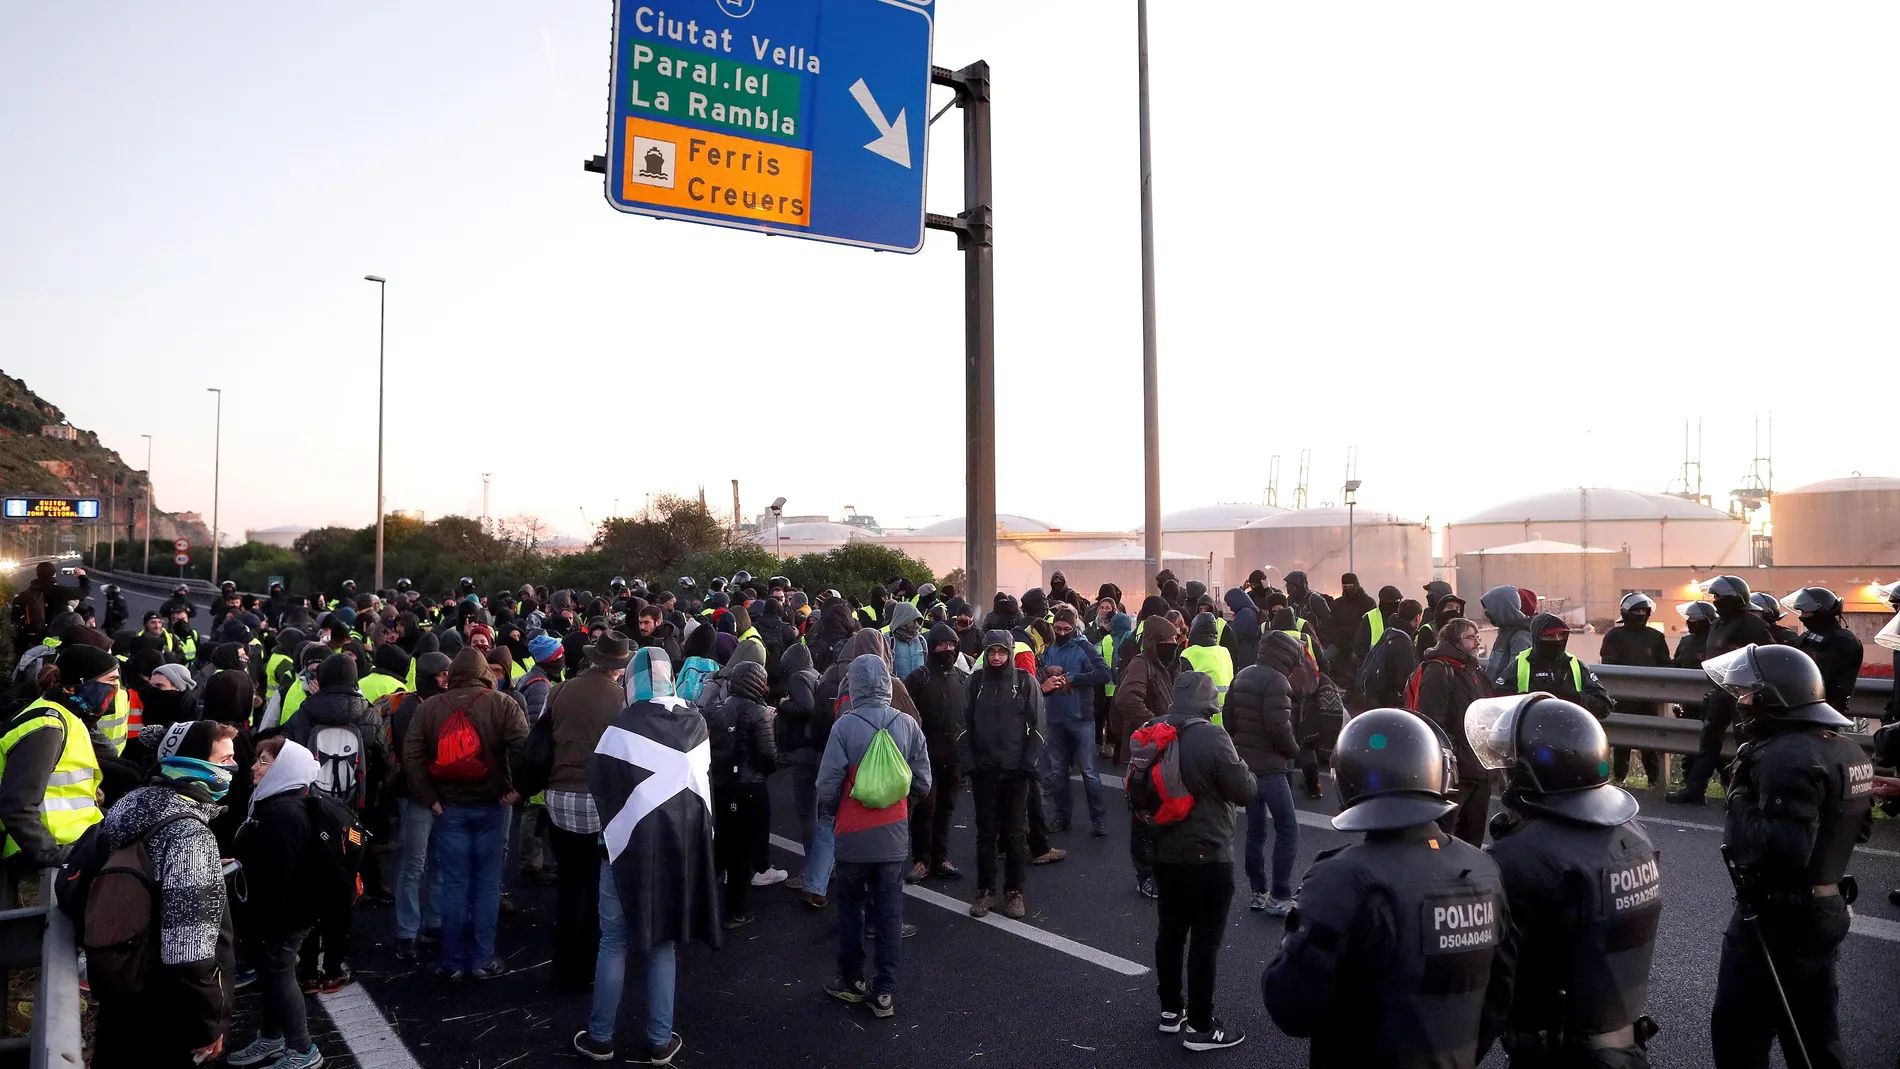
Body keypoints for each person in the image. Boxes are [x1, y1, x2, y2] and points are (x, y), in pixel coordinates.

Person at [1262, 708, 1514, 1068]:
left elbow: (1290, 1007)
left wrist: (1294, 941)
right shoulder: (1484, 868)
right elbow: (1499, 996)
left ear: (1347, 781)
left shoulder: (1342, 878)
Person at [1465, 693, 1660, 1068]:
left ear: (1531, 772)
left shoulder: (1521, 857)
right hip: (1625, 1045)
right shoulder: (1632, 834)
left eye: (1510, 763)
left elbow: (1489, 975)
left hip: (1558, 1053)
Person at [1703, 644, 1872, 1069]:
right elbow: (1861, 828)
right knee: (1815, 1037)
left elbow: (1781, 850)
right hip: (1826, 908)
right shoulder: (1844, 748)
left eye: (1748, 693)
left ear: (1773, 698)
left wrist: (1739, 797)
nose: (1740, 701)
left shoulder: (1786, 755)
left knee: (1739, 1035)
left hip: (1780, 917)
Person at [574, 648, 716, 1066]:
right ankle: (659, 1040)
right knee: (662, 942)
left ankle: (600, 1038)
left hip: (621, 853)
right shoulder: (697, 724)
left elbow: (600, 783)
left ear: (630, 680)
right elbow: (703, 792)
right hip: (675, 852)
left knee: (614, 942)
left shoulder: (620, 728)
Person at [91, 720, 239, 1069]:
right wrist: (208, 1022)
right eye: (226, 759)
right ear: (195, 764)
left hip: (123, 982)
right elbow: (188, 949)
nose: (233, 768)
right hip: (165, 1005)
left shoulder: (133, 802)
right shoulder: (188, 834)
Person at [1139, 672, 1256, 1051]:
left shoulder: (1155, 729)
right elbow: (1244, 789)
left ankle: (1171, 1011)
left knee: (1169, 933)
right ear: (1210, 702)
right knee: (1205, 942)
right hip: (1208, 855)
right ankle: (1203, 1027)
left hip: (1164, 851)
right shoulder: (1212, 736)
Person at [403, 647, 529, 982]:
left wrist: (429, 798)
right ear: (485, 672)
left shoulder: (430, 708)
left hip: (450, 807)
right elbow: (523, 748)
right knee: (487, 883)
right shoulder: (503, 704)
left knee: (453, 883)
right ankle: (483, 959)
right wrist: (517, 789)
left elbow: (412, 755)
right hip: (493, 804)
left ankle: (452, 961)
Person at [817, 654, 931, 1019]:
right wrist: (901, 806)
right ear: (886, 682)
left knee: (851, 910)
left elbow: (827, 785)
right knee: (889, 913)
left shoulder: (844, 727)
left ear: (853, 684)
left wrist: (833, 810)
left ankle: (852, 981)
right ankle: (884, 993)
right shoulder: (908, 725)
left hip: (852, 837)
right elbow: (923, 782)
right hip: (893, 838)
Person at [226, 739, 327, 1069]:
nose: (254, 767)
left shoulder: (283, 812)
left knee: (279, 974)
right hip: (280, 912)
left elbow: (281, 874)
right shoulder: (275, 801)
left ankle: (303, 1050)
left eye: (265, 762)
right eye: (257, 760)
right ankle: (271, 1038)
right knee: (272, 975)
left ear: (284, 768)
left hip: (285, 915)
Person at [540, 630, 631, 989]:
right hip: (599, 799)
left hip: (559, 794)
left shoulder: (559, 690)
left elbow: (544, 734)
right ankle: (589, 969)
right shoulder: (622, 699)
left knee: (568, 883)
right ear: (617, 667)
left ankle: (563, 968)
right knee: (596, 887)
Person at [1669, 577, 1774, 806]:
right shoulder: (1716, 625)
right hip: (1719, 689)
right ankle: (1695, 790)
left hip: (1744, 693)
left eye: (1719, 597)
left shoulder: (1754, 626)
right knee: (1708, 741)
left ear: (1735, 599)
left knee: (1745, 744)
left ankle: (1748, 794)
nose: (1715, 601)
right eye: (1713, 597)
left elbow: (1769, 657)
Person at [960, 631, 1044, 919]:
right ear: (985, 653)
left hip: (1015, 772)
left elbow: (1039, 727)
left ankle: (1014, 891)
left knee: (1016, 833)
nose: (997, 657)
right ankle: (985, 890)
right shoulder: (974, 683)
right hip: (984, 772)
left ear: (1010, 652)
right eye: (991, 652)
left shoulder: (1024, 681)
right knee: (985, 833)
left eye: (1002, 652)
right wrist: (968, 762)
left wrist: (1028, 764)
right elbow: (963, 725)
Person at [1225, 631, 1306, 916]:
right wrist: (1294, 751)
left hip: (1246, 765)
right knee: (1287, 828)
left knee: (1255, 829)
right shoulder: (1277, 681)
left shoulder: (1243, 674)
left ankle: (1258, 891)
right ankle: (1281, 894)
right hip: (1271, 768)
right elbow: (1279, 728)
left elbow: (1228, 718)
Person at [1406, 618, 1494, 847]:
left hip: (1480, 767)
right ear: (1454, 641)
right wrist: (1457, 757)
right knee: (1444, 838)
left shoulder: (1475, 671)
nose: (1476, 643)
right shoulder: (1438, 671)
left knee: (1472, 839)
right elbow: (1433, 721)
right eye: (1470, 637)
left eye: (1477, 637)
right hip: (1456, 772)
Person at [389, 650, 452, 962]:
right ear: (429, 677)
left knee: (438, 863)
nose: (447, 679)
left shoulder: (434, 704)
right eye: (442, 674)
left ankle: (434, 922)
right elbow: (412, 761)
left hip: (437, 796)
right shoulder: (411, 710)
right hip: (420, 797)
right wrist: (432, 798)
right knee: (415, 865)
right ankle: (407, 931)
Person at [704, 659, 775, 929]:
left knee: (719, 846)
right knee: (742, 852)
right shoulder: (760, 713)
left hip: (720, 787)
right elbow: (769, 756)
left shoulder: (713, 710)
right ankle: (735, 911)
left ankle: (705, 905)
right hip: (750, 790)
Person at [1116, 616, 1181, 898]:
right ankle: (1145, 874)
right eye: (1167, 643)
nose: (1173, 647)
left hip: (1171, 747)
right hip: (1148, 749)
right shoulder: (1142, 664)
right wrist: (1156, 723)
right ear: (1154, 643)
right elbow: (1126, 698)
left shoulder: (1176, 664)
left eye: (1175, 641)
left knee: (1170, 811)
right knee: (1143, 814)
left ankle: (1166, 868)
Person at [1039, 606, 1111, 836]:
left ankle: (1098, 819)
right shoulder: (1048, 648)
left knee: (1089, 771)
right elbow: (1037, 671)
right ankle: (1062, 816)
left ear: (1074, 628)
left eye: (1067, 629)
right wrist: (1046, 671)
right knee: (1057, 773)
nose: (1062, 632)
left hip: (1081, 718)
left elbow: (1104, 674)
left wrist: (1074, 679)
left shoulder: (1084, 647)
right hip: (1054, 717)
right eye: (1058, 628)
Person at [904, 623, 967, 882]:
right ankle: (921, 861)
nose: (948, 649)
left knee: (946, 809)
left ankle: (940, 858)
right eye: (942, 645)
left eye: (952, 645)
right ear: (931, 647)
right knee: (924, 811)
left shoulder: (962, 678)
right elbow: (906, 720)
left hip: (953, 758)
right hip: (924, 759)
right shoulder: (918, 678)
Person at [1599, 593, 1671, 787]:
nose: (1641, 614)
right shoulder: (1615, 636)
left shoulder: (1655, 637)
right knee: (1622, 743)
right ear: (1626, 612)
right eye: (1636, 610)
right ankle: (1619, 779)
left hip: (1649, 698)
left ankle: (1655, 781)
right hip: (1622, 698)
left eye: (1644, 611)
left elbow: (1666, 666)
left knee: (1650, 743)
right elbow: (1608, 665)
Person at [1495, 613, 1612, 720]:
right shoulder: (1519, 665)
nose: (1557, 640)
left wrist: (1574, 696)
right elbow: (1497, 704)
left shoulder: (1576, 666)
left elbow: (1604, 707)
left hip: (1570, 734)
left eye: (1561, 635)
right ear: (1537, 638)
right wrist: (1529, 699)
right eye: (1550, 636)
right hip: (1531, 733)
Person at [1786, 587, 1862, 714]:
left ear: (1822, 612)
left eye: (1806, 612)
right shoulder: (1808, 636)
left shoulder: (1844, 640)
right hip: (1801, 703)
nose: (1801, 617)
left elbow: (1822, 673)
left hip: (1826, 708)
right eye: (1801, 612)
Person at [1358, 598, 1422, 710]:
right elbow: (1406, 681)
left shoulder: (1390, 632)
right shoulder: (1403, 642)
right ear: (1417, 618)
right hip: (1390, 704)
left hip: (1376, 698)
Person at [1180, 611, 1235, 715]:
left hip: (1202, 719)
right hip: (1226, 718)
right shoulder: (1224, 652)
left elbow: (1182, 694)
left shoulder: (1189, 654)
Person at [1481, 585, 1534, 683]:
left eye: (1491, 607)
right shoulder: (1506, 632)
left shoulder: (1520, 637)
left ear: (1504, 609)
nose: (1486, 612)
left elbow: (1513, 675)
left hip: (1504, 696)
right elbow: (1496, 664)